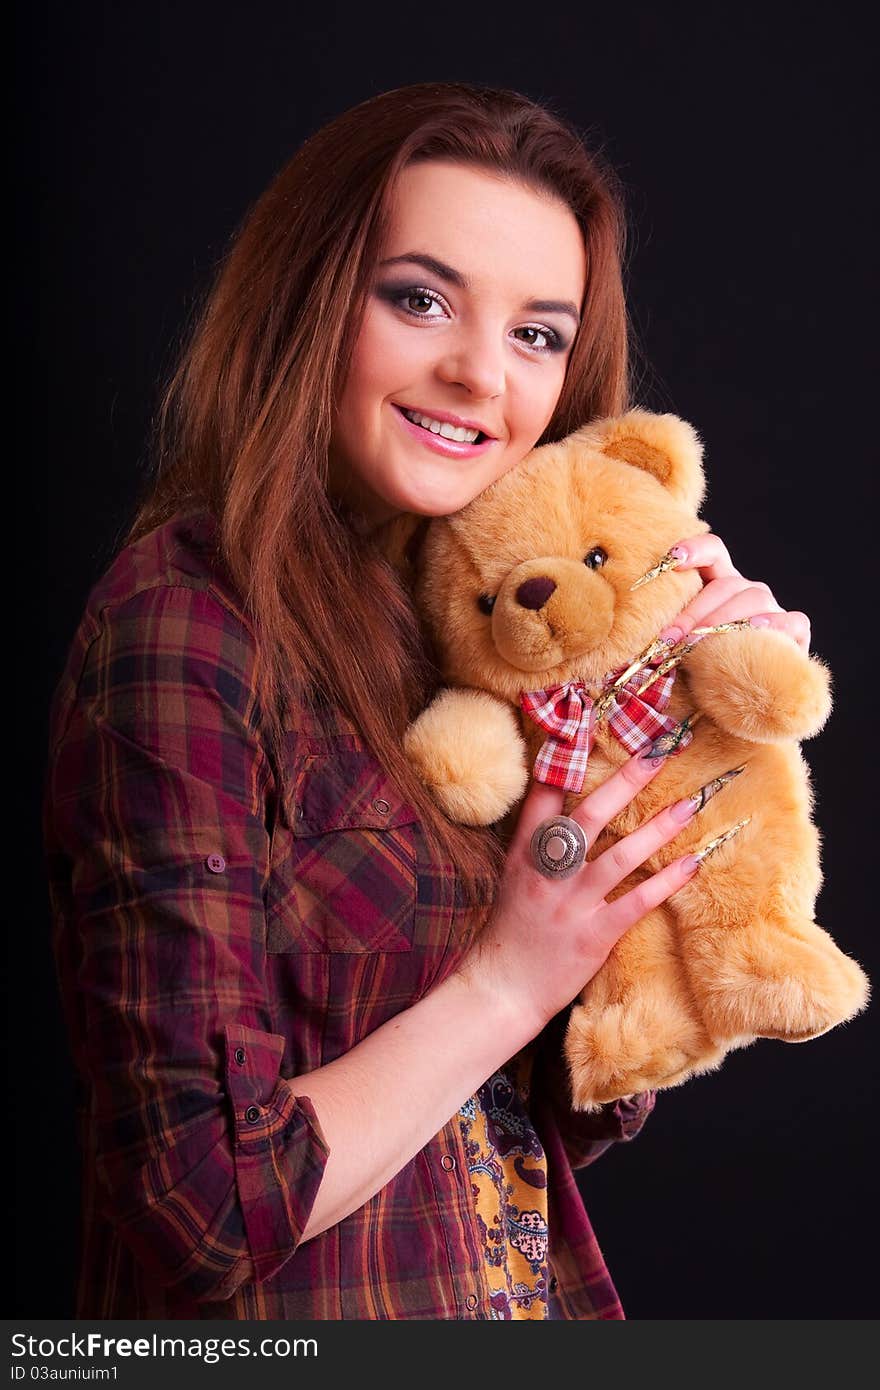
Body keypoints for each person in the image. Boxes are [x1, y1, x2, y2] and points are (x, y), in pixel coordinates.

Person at [44, 81, 813, 1321]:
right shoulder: (183, 623)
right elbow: (198, 1210)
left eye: (536, 335)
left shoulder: (489, 632)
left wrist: (677, 720)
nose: (476, 376)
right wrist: (507, 976)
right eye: (419, 299)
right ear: (311, 301)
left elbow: (547, 1091)